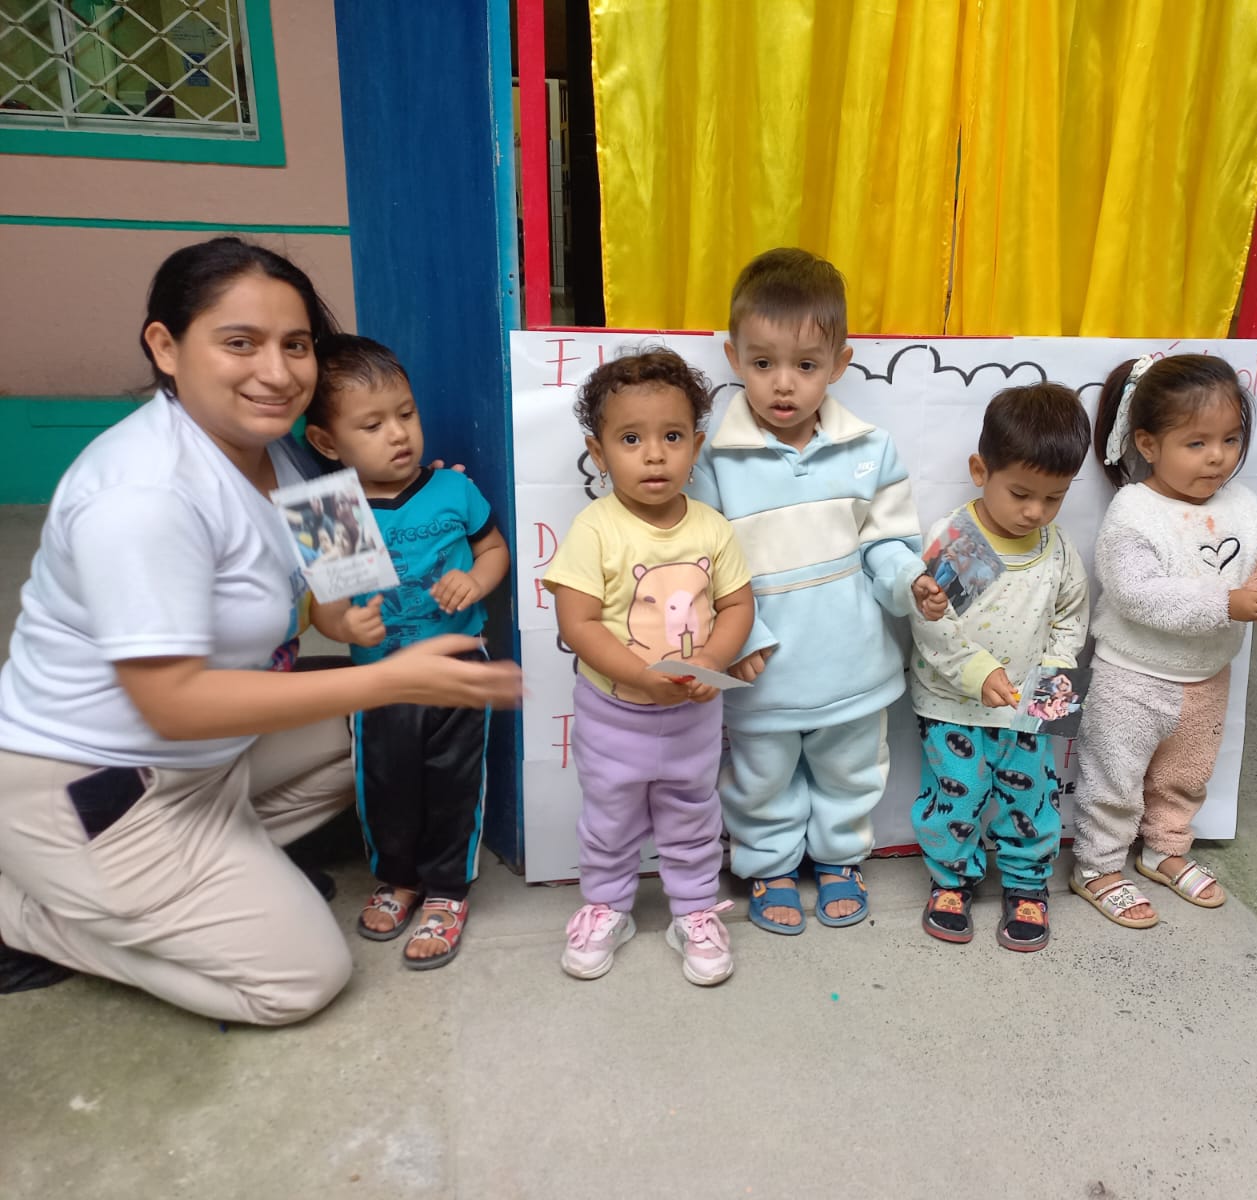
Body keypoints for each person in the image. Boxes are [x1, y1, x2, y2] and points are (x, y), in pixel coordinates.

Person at [0, 238, 521, 1022]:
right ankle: (31, 916)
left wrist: (418, 518)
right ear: (165, 347)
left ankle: (210, 873)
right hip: (93, 784)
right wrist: (390, 677)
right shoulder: (145, 495)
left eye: (296, 345)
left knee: (389, 727)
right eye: (240, 343)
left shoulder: (290, 456)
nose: (276, 373)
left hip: (210, 763)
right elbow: (171, 704)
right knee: (302, 978)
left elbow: (338, 593)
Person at [687, 247, 947, 935]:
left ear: (839, 363)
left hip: (852, 661)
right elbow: (701, 564)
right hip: (760, 669)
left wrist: (912, 581)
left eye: (805, 365)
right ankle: (769, 866)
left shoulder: (871, 448)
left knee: (851, 772)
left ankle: (838, 859)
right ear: (732, 357)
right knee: (760, 778)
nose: (783, 384)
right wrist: (740, 638)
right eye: (762, 363)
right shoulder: (713, 458)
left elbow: (886, 543)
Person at [544, 349, 755, 985]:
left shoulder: (712, 529)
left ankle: (694, 911)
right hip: (614, 714)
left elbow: (738, 605)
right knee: (610, 817)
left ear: (696, 446)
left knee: (693, 814)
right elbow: (578, 623)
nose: (655, 456)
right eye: (631, 439)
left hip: (693, 714)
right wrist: (638, 675)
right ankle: (607, 906)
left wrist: (713, 658)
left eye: (672, 437)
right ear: (599, 452)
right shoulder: (595, 529)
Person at [302, 335, 511, 970]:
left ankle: (447, 891)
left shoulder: (453, 490)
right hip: (381, 678)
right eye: (372, 425)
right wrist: (347, 624)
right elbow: (325, 611)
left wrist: (476, 580)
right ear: (327, 442)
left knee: (454, 782)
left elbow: (493, 549)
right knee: (385, 783)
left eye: (406, 414)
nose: (398, 434)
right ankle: (398, 879)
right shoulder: (332, 511)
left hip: (457, 668)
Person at [1069, 353, 1257, 929]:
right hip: (1132, 678)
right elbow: (1136, 593)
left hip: (1206, 676)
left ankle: (1165, 849)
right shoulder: (1135, 512)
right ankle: (1097, 865)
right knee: (1114, 776)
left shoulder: (1243, 507)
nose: (1217, 457)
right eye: (1196, 443)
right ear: (1148, 444)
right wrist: (1228, 603)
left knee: (1186, 774)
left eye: (1230, 439)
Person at [909, 383, 1091, 951]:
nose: (1035, 511)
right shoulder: (964, 543)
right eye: (1020, 493)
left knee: (1032, 799)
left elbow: (1070, 616)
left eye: (1054, 497)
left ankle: (1027, 883)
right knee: (955, 796)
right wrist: (978, 673)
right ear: (980, 471)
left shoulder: (1056, 547)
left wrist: (1054, 674)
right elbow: (934, 624)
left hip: (1028, 708)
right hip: (954, 706)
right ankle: (951, 882)